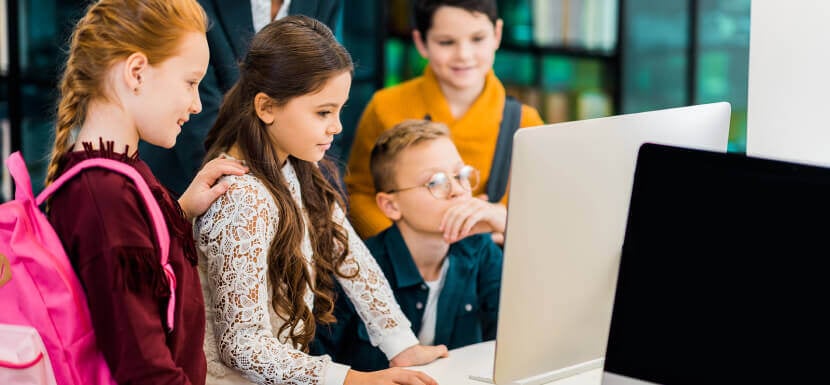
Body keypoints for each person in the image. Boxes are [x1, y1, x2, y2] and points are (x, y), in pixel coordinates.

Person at [196, 16, 447, 385]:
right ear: (266, 107)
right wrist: (354, 380)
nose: (337, 126)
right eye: (323, 112)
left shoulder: (296, 166)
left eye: (339, 110)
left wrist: (401, 343)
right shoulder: (240, 196)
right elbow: (242, 345)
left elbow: (349, 254)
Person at [45, 1, 248, 384]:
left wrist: (181, 210)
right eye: (190, 82)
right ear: (136, 72)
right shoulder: (106, 197)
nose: (197, 104)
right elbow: (145, 372)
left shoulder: (119, 178)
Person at [345, 0, 544, 240]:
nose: (464, 55)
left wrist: (505, 222)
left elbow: (539, 209)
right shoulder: (384, 107)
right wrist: (404, 244)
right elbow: (359, 193)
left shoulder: (526, 122)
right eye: (446, 42)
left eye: (477, 39)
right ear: (421, 42)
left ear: (497, 34)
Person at [316, 119, 504, 370]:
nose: (458, 190)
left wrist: (508, 225)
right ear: (390, 205)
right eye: (435, 182)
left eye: (461, 175)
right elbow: (315, 366)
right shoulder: (355, 271)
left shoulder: (480, 249)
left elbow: (522, 336)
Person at [141, 0, 342, 194]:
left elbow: (325, 94)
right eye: (324, 113)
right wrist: (242, 191)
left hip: (292, 176)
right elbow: (198, 114)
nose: (337, 126)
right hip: (191, 177)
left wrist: (323, 192)